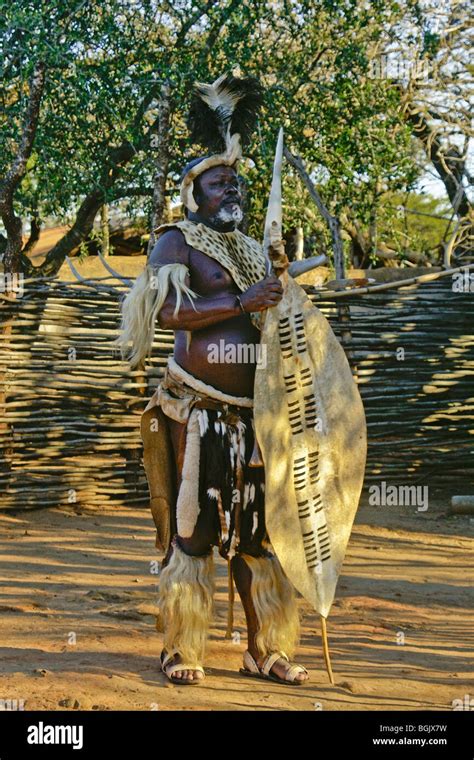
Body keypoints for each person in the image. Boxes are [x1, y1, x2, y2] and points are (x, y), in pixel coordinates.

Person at [116, 74, 309, 686]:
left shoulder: (254, 250)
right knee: (193, 533)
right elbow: (168, 315)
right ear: (194, 190)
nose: (234, 189)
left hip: (253, 418)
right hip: (196, 414)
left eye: (238, 182)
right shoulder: (175, 242)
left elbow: (276, 321)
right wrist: (242, 301)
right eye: (220, 181)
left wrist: (283, 303)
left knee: (258, 538)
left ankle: (266, 648)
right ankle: (182, 649)